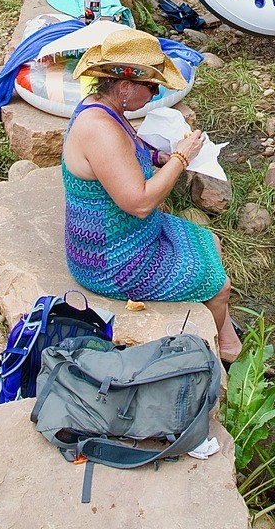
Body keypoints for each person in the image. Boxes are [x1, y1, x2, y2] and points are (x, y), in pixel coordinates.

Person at [60, 28, 239, 359]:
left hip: (132, 237)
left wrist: (160, 156)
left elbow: (128, 153)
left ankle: (225, 333)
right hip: (114, 259)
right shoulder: (99, 129)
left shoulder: (105, 108)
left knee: (209, 242)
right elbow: (140, 203)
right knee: (219, 283)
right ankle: (217, 354)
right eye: (152, 86)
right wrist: (181, 158)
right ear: (126, 87)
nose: (156, 94)